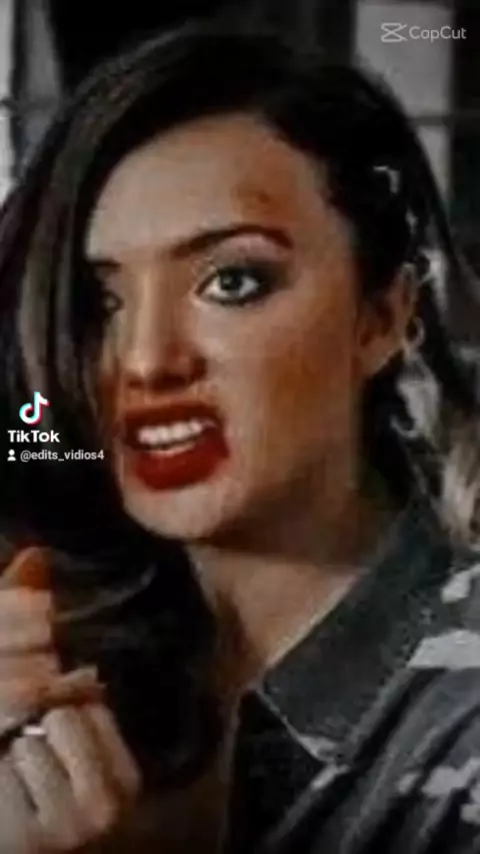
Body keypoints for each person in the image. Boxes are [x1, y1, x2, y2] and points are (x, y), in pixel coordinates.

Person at [0, 19, 480, 854]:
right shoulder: (58, 646)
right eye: (99, 303)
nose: (146, 361)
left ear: (382, 316)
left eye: (232, 281)